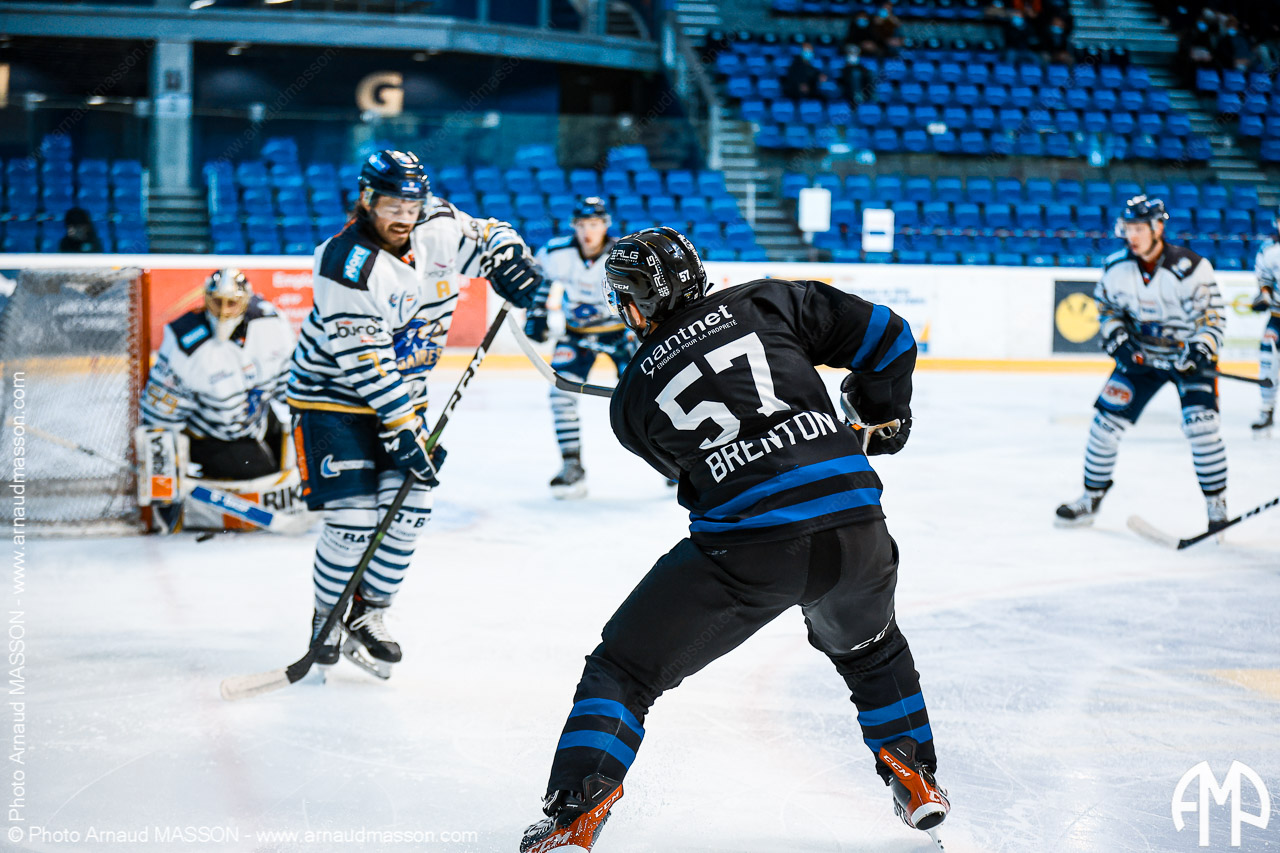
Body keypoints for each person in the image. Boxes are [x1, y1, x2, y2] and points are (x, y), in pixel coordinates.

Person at [519, 227, 948, 852]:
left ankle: (576, 813)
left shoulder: (632, 400)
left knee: (624, 669)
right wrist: (881, 413)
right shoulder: (769, 301)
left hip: (750, 552)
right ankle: (916, 776)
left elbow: (689, 468)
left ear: (636, 301)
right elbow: (890, 336)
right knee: (872, 650)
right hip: (858, 529)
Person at [288, 149, 540, 679]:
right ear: (366, 200)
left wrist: (509, 258)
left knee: (410, 510)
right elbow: (367, 363)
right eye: (391, 205)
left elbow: (490, 234)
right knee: (354, 520)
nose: (403, 216)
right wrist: (403, 429)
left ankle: (368, 613)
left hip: (405, 396)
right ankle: (326, 618)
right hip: (332, 399)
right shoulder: (344, 263)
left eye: (411, 205)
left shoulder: (438, 225)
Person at [1056, 196, 1228, 531]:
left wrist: (1200, 351)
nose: (1131, 236)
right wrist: (1118, 339)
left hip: (1187, 361)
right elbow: (1106, 309)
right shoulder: (1115, 267)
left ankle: (1217, 507)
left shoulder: (1192, 268)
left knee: (1202, 428)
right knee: (1104, 426)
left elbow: (1213, 318)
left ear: (1157, 228)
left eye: (1138, 229)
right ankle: (1091, 497)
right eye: (1128, 228)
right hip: (1142, 359)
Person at [138, 268, 296, 530]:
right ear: (205, 300)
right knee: (261, 473)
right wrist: (163, 478)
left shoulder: (271, 323)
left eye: (231, 303)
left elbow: (289, 385)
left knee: (296, 448)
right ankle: (210, 479)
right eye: (217, 302)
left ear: (246, 302)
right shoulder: (185, 341)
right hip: (209, 434)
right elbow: (159, 417)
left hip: (255, 417)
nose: (223, 312)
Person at [523, 197, 633, 498]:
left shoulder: (624, 253)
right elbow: (541, 281)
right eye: (582, 225)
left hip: (619, 334)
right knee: (560, 395)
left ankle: (670, 461)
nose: (588, 232)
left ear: (605, 226)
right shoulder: (555, 252)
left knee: (647, 396)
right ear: (574, 226)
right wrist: (536, 313)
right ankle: (571, 464)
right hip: (576, 334)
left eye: (594, 224)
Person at [1249, 206, 1280, 432]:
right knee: (1267, 361)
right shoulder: (1269, 250)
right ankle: (1267, 410)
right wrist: (1264, 297)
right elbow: (1265, 280)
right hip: (1277, 318)